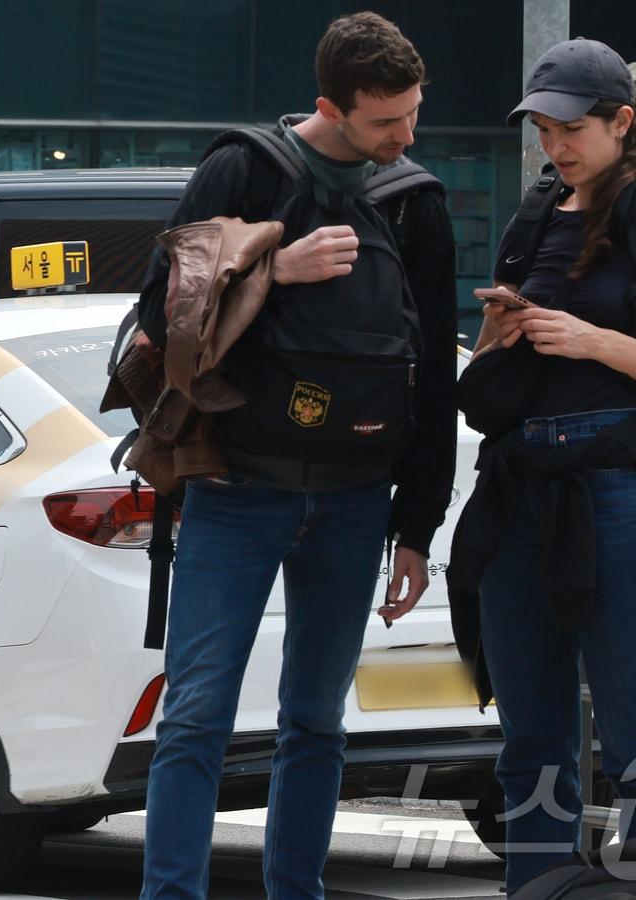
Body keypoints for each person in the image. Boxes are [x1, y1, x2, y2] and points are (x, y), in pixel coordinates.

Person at [135, 12, 458, 899]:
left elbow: (431, 377)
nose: (406, 136)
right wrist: (274, 272)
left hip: (357, 497)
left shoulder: (416, 202)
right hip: (237, 487)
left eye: (413, 114)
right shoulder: (244, 170)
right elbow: (159, 312)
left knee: (317, 722)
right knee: (195, 716)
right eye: (386, 121)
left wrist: (417, 527)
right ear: (330, 105)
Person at [455, 38, 636, 892]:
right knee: (529, 739)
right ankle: (538, 886)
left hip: (618, 487)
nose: (555, 146)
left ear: (623, 121)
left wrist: (595, 341)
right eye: (543, 131)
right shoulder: (533, 220)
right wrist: (500, 334)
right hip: (517, 487)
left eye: (571, 129)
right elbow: (488, 377)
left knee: (635, 733)